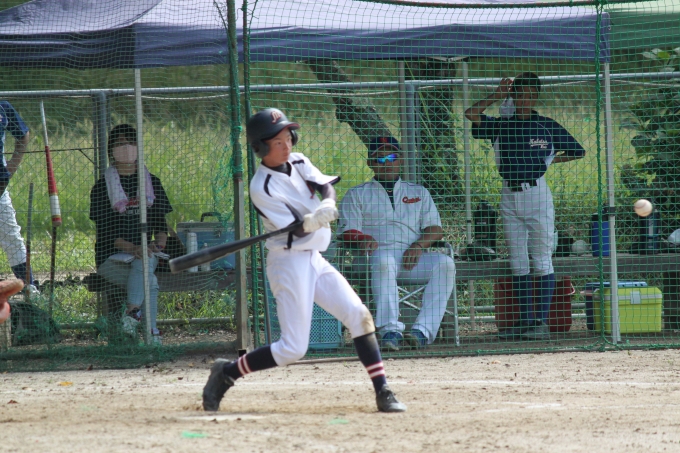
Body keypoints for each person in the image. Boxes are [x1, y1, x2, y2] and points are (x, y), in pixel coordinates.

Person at [201, 108, 406, 413]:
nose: (286, 145)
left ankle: (383, 390)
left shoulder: (298, 161)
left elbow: (324, 185)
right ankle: (227, 372)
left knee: (358, 315)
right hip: (288, 263)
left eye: (288, 138)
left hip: (315, 258)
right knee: (293, 348)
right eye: (277, 142)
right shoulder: (261, 187)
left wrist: (327, 202)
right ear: (261, 148)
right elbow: (295, 231)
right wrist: (310, 222)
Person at [465, 72, 585, 340]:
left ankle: (541, 322)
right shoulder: (501, 125)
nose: (525, 99)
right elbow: (471, 114)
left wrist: (548, 161)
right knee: (518, 261)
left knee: (541, 259)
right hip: (509, 193)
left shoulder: (546, 126)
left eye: (531, 94)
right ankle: (525, 320)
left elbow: (578, 151)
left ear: (536, 97)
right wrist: (496, 95)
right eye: (520, 94)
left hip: (537, 193)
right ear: (513, 96)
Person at [337, 137, 455, 351]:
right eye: (380, 158)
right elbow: (347, 231)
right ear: (370, 163)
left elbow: (435, 229)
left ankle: (422, 332)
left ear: (401, 160)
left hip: (411, 258)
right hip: (372, 258)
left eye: (392, 157)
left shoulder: (418, 192)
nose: (387, 163)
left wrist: (418, 246)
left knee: (445, 263)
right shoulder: (357, 193)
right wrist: (362, 238)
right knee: (384, 260)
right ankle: (390, 332)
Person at [89, 124, 173, 344]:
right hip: (110, 259)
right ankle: (151, 335)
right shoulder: (101, 187)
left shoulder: (152, 182)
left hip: (145, 256)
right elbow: (106, 234)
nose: (126, 148)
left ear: (139, 147)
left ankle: (132, 315)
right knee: (149, 282)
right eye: (120, 144)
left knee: (144, 263)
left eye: (131, 142)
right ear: (111, 150)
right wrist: (134, 248)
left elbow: (161, 226)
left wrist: (158, 245)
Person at [0, 101, 38, 294]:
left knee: (11, 236)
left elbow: (23, 135)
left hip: (0, 185)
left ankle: (30, 287)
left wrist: (11, 167)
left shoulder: (3, 108)